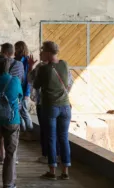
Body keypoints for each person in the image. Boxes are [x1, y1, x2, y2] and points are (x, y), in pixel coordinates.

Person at [30, 41, 72, 181]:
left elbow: (35, 85)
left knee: (51, 138)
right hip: (66, 106)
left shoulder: (44, 69)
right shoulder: (65, 64)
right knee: (64, 138)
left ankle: (52, 170)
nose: (41, 54)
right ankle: (65, 171)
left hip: (50, 107)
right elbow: (69, 83)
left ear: (48, 53)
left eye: (42, 51)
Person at [0, 56, 23, 188]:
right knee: (11, 152)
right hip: (12, 120)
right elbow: (20, 96)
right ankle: (8, 183)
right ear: (9, 68)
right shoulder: (15, 80)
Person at [14, 41, 33, 133]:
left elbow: (28, 78)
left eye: (16, 48)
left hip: (24, 89)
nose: (15, 49)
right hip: (17, 90)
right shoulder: (16, 60)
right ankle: (23, 131)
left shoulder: (26, 60)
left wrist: (27, 93)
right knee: (18, 111)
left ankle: (29, 132)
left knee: (24, 111)